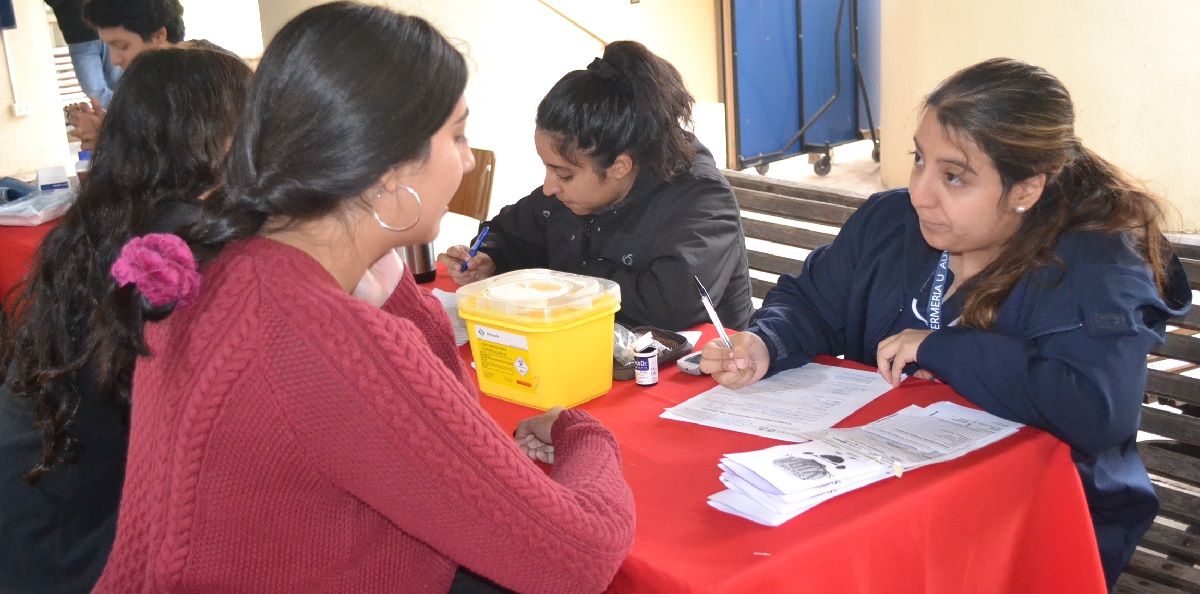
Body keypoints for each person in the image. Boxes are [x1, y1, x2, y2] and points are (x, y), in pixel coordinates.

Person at [93, 3, 635, 593]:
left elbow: (446, 414)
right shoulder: (320, 339)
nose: (468, 160)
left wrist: (384, 272)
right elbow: (580, 557)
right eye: (457, 135)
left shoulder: (232, 263)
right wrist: (578, 432)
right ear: (385, 171)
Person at [700, 57, 1191, 588]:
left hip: (1034, 527)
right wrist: (766, 340)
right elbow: (814, 302)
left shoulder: (1096, 265)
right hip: (881, 494)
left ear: (1026, 190)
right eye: (919, 160)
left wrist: (944, 348)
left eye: (954, 176)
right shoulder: (892, 223)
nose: (920, 192)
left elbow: (1099, 409)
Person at [0, 48, 252, 593]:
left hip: (37, 504)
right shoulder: (188, 241)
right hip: (86, 546)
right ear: (223, 136)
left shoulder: (107, 214)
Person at [438, 41, 754, 333]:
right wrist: (491, 258)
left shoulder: (702, 200)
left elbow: (672, 307)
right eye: (547, 169)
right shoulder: (576, 193)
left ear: (620, 166)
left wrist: (569, 275)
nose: (549, 188)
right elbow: (509, 231)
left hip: (704, 377)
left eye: (563, 174)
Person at [68, 0, 230, 150]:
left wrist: (109, 145)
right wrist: (107, 137)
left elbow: (186, 161)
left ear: (159, 35)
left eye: (122, 46)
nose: (114, 60)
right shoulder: (150, 83)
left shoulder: (203, 77)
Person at [46, 0, 122, 109]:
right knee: (95, 91)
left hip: (108, 30)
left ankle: (128, 118)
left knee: (120, 82)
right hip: (79, 39)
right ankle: (123, 116)